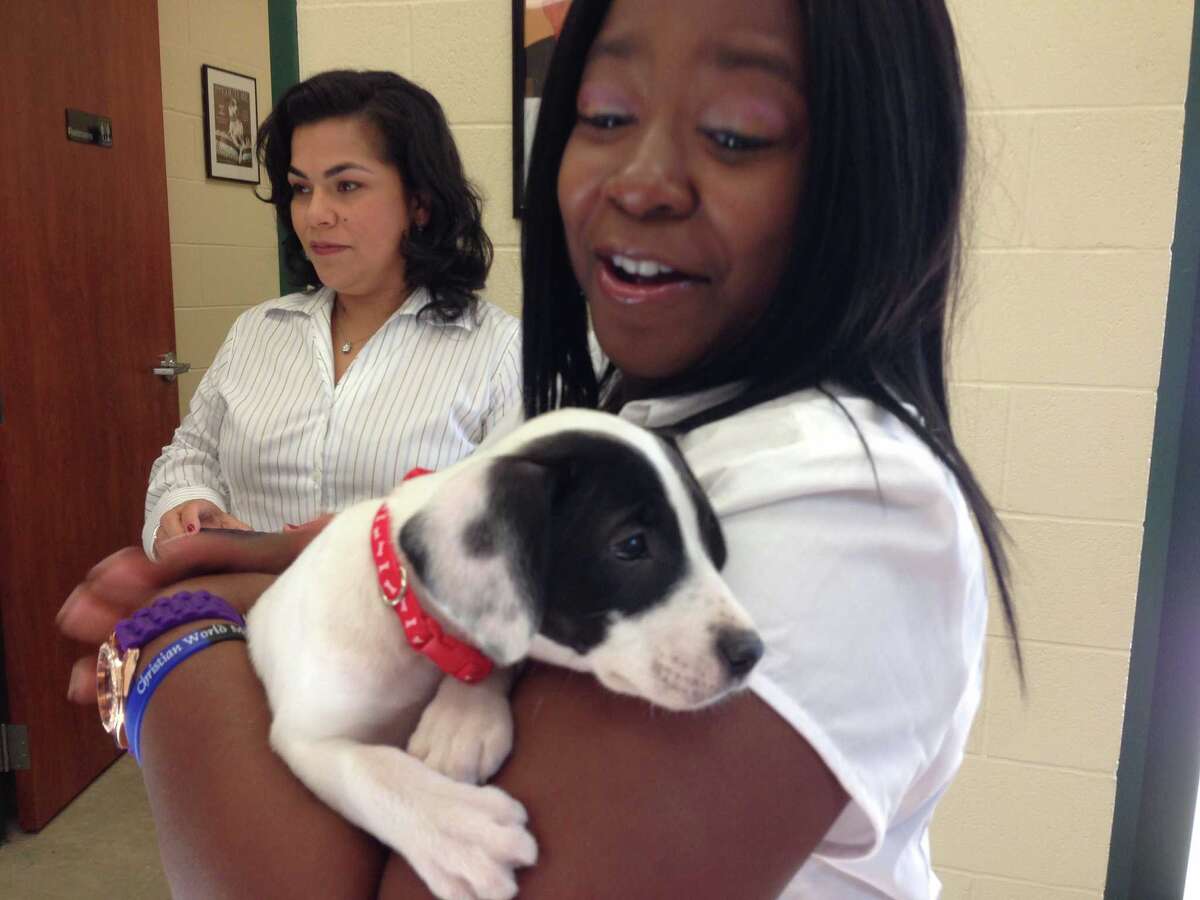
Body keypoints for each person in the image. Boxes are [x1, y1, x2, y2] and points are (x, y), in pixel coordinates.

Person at [60, 1, 1019, 897]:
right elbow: (436, 540)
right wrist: (273, 565)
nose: (638, 180)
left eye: (735, 131)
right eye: (602, 116)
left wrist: (162, 653)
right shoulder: (642, 420)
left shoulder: (837, 503)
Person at [144, 69, 520, 557]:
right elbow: (191, 455)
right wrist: (188, 504)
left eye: (346, 186)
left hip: (397, 629)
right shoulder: (258, 331)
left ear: (420, 202)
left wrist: (375, 544)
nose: (315, 214)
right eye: (301, 188)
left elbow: (526, 535)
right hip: (240, 626)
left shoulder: (499, 351)